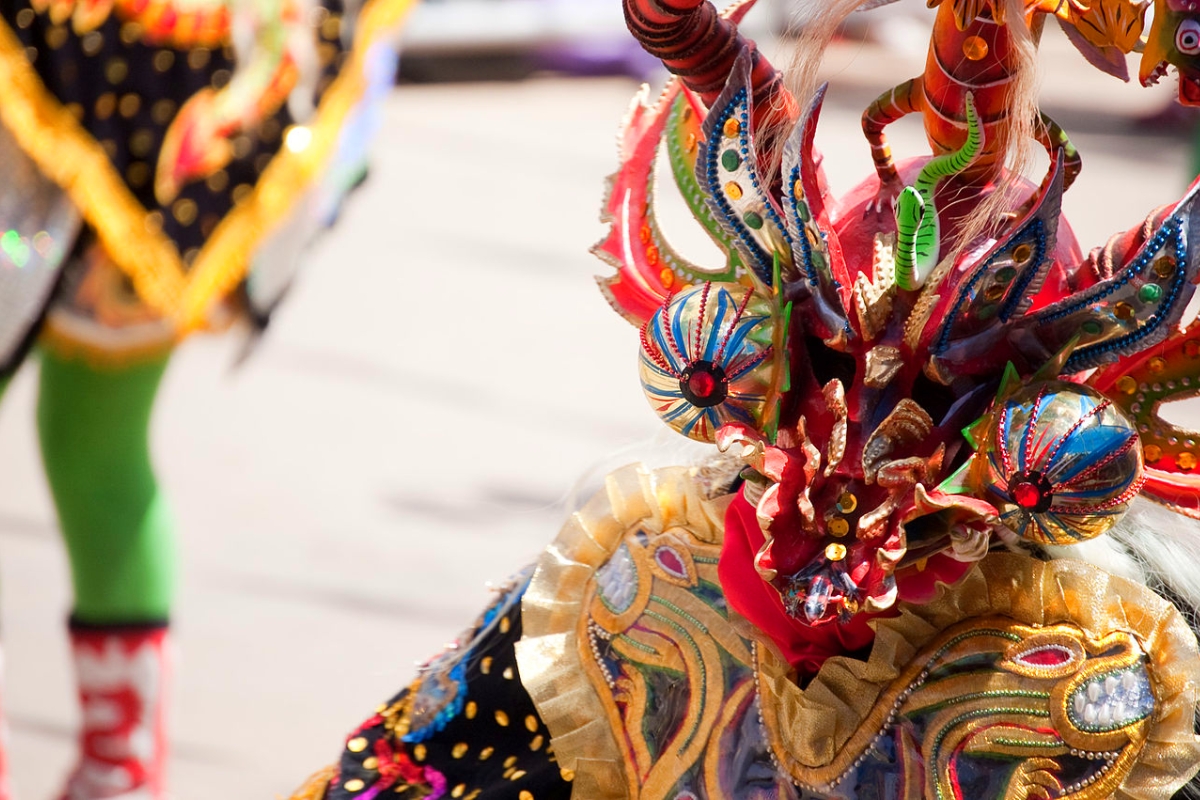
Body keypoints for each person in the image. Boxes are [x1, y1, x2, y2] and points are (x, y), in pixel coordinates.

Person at [290, 0, 1200, 796]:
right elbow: (414, 773)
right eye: (831, 365)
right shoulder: (637, 584)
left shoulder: (1112, 659)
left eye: (952, 390)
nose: (865, 448)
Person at [0, 0, 414, 793]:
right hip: (195, 76)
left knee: (96, 442)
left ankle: (117, 774)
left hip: (92, 72)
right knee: (98, 446)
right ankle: (119, 777)